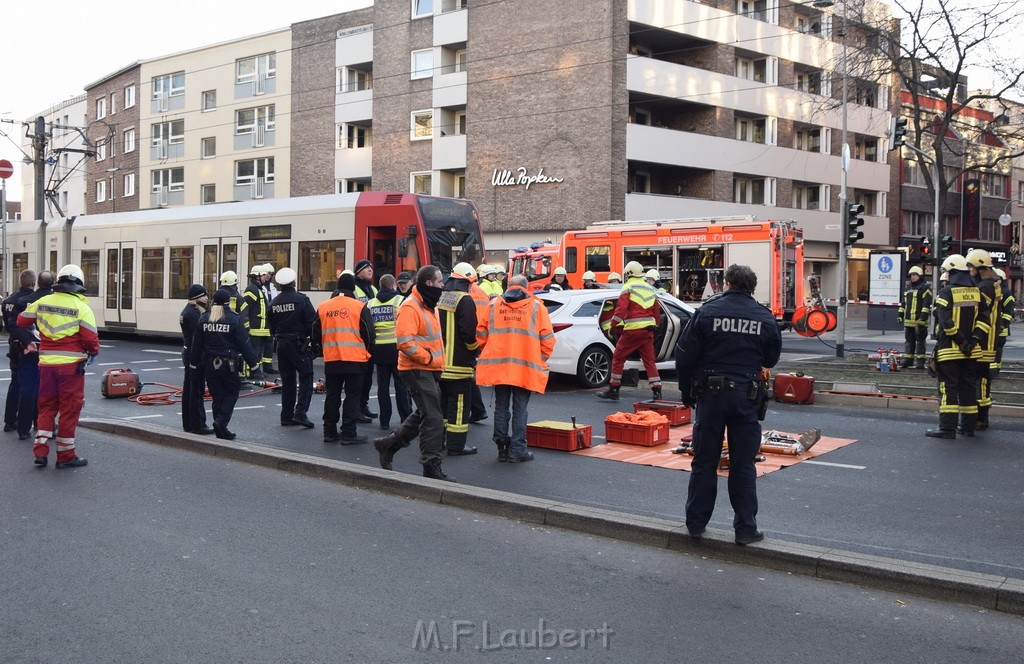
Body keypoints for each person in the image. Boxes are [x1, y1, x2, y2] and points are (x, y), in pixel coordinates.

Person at [675, 264, 781, 545]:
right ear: (752, 288)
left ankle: (695, 524)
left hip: (710, 397)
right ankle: (745, 530)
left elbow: (685, 355)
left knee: (704, 461)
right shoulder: (764, 316)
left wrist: (687, 392)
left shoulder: (707, 312)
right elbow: (770, 359)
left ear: (727, 283)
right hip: (746, 397)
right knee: (743, 463)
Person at [373, 265, 452, 481]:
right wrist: (427, 358)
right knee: (434, 417)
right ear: (429, 283)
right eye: (439, 281)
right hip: (417, 368)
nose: (442, 285)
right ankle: (430, 465)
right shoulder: (411, 307)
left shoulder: (429, 305)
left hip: (429, 368)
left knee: (424, 414)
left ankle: (388, 444)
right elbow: (405, 343)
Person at [18, 265, 100, 469]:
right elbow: (91, 340)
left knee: (46, 407)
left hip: (46, 366)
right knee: (69, 410)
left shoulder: (43, 302)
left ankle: (40, 452)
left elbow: (21, 320)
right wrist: (93, 353)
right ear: (79, 284)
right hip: (71, 369)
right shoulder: (82, 307)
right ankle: (65, 456)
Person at [476, 274, 555, 463]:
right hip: (525, 368)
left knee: (501, 408)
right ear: (526, 288)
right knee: (520, 410)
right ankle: (517, 450)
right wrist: (538, 359)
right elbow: (548, 340)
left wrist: (490, 352)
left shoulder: (493, 305)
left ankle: (502, 448)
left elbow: (480, 334)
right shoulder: (536, 306)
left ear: (509, 287)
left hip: (499, 367)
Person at [189, 288, 261, 440]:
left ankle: (219, 428)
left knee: (218, 396)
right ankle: (221, 423)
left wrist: (193, 364)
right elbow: (245, 345)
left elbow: (197, 345)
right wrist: (254, 367)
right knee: (232, 392)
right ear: (228, 302)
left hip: (209, 364)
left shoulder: (204, 318)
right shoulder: (233, 318)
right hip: (228, 364)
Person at [927, 254, 982, 438]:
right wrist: (972, 341)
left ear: (951, 272)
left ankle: (947, 429)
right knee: (968, 387)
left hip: (950, 351)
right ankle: (968, 427)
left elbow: (945, 321)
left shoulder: (946, 292)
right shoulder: (976, 292)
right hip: (971, 351)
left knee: (948, 388)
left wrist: (960, 341)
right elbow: (984, 321)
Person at [315, 272, 374, 444]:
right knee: (352, 396)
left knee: (332, 395)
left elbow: (315, 334)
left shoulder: (323, 307)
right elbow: (370, 335)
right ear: (352, 288)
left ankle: (329, 431)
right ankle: (349, 433)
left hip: (332, 359)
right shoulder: (359, 307)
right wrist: (367, 353)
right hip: (355, 360)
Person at [597, 261, 662, 401]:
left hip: (632, 332)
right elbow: (656, 313)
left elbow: (621, 309)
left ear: (628, 274)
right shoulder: (650, 288)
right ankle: (657, 391)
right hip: (647, 332)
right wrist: (655, 326)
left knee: (618, 357)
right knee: (649, 361)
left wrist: (614, 326)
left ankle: (614, 389)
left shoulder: (628, 287)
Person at [437, 263, 481, 456]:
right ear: (468, 280)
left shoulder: (441, 297)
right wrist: (475, 352)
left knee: (444, 405)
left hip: (439, 364)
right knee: (460, 405)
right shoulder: (465, 300)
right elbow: (468, 333)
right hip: (459, 365)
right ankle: (456, 445)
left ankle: (441, 441)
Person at [268, 267, 317, 429]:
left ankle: (286, 416)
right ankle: (300, 413)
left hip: (281, 344)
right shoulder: (301, 300)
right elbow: (312, 324)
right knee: (306, 377)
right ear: (294, 282)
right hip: (298, 343)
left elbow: (271, 328)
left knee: (288, 380)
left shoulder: (273, 303)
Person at [11, 270, 54, 441]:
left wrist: (27, 340)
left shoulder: (23, 301)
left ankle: (23, 428)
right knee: (47, 392)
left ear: (37, 283)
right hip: (52, 353)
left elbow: (14, 325)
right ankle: (44, 425)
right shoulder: (56, 303)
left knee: (27, 390)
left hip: (29, 351)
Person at [367, 274, 412, 431]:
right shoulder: (400, 301)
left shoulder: (371, 303)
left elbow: (368, 328)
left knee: (383, 386)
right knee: (401, 385)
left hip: (379, 349)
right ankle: (405, 418)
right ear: (394, 285)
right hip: (396, 348)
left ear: (380, 286)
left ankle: (384, 421)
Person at [965, 249, 1001, 431]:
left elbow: (979, 312)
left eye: (971, 267)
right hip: (989, 340)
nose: (969, 271)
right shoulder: (992, 284)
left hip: (983, 341)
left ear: (980, 268)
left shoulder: (985, 287)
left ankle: (980, 418)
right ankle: (981, 417)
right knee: (982, 380)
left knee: (980, 380)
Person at [3, 270, 36, 434]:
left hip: (14, 344)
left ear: (20, 282)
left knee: (15, 383)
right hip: (31, 346)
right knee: (33, 384)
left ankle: (9, 421)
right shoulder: (35, 300)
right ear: (34, 283)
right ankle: (37, 422)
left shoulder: (8, 301)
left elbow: (8, 325)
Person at [179, 284, 214, 435]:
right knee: (196, 391)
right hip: (196, 356)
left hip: (189, 354)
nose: (207, 298)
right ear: (196, 298)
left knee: (189, 391)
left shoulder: (188, 311)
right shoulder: (194, 314)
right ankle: (199, 425)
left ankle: (188, 423)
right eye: (204, 295)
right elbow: (198, 338)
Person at [352, 259, 378, 422]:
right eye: (366, 268)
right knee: (359, 377)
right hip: (358, 337)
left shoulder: (373, 289)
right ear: (358, 271)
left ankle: (363, 405)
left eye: (371, 268)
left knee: (368, 376)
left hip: (369, 337)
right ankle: (357, 409)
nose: (370, 270)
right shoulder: (353, 288)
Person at [241, 265, 274, 376]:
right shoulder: (252, 290)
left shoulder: (257, 289)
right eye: (264, 275)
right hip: (255, 329)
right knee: (255, 351)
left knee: (258, 352)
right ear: (257, 277)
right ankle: (252, 372)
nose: (266, 277)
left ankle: (256, 371)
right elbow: (245, 309)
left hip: (261, 329)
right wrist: (247, 328)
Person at [897, 265, 932, 369]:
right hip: (908, 321)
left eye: (914, 275)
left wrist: (922, 319)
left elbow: (926, 306)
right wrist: (900, 315)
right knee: (909, 341)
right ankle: (908, 359)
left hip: (919, 322)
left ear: (920, 276)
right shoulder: (908, 288)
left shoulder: (925, 288)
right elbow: (904, 304)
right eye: (911, 275)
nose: (912, 277)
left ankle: (920, 361)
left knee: (920, 342)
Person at [991, 268, 1014, 381]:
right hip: (992, 328)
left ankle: (994, 372)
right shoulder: (994, 291)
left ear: (1001, 279)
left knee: (997, 352)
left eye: (996, 279)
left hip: (1001, 330)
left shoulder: (1006, 293)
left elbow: (1009, 312)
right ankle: (991, 372)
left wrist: (1002, 324)